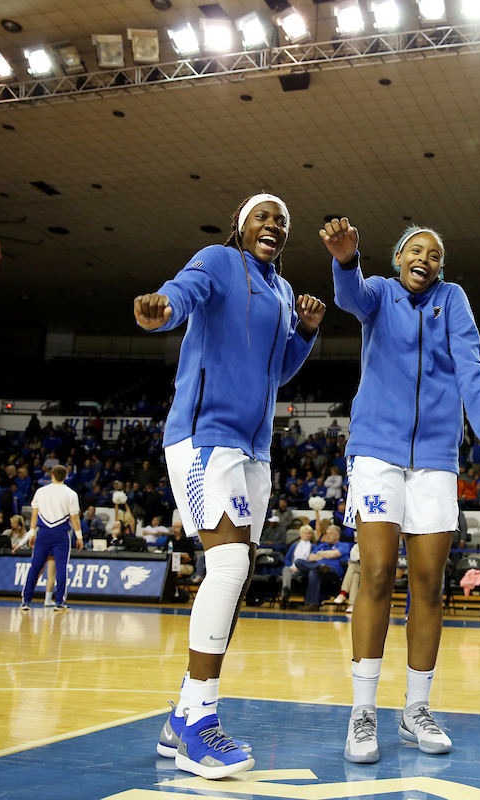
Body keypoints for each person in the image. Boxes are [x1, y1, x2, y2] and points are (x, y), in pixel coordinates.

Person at [137, 192, 324, 780]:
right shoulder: (218, 262)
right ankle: (197, 724)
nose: (274, 225)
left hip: (255, 448)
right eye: (263, 216)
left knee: (235, 574)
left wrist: (308, 333)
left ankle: (182, 716)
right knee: (226, 569)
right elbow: (180, 293)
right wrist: (162, 308)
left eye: (282, 221)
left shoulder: (284, 291)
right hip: (203, 438)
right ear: (242, 226)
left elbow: (278, 368)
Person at [322, 217, 480, 765]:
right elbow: (351, 296)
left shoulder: (453, 300)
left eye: (433, 253)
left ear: (441, 266)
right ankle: (363, 712)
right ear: (398, 258)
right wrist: (344, 260)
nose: (423, 258)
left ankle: (416, 709)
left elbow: (470, 367)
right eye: (414, 249)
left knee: (429, 583)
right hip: (377, 453)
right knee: (378, 572)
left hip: (434, 458)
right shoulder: (378, 292)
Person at [20, 466, 83, 611]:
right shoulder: (71, 494)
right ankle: (59, 602)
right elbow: (74, 518)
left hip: (43, 533)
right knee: (61, 568)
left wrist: (33, 533)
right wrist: (79, 537)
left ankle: (26, 601)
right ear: (65, 476)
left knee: (35, 567)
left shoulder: (41, 491)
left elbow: (34, 515)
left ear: (52, 475)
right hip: (61, 534)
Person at [297, 525, 351, 611]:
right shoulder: (322, 545)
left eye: (331, 534)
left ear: (337, 535)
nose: (328, 536)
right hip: (318, 570)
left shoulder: (343, 545)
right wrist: (327, 554)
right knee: (298, 562)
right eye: (327, 534)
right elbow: (311, 557)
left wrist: (320, 553)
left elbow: (333, 554)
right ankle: (319, 567)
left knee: (313, 571)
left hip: (332, 571)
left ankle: (312, 603)